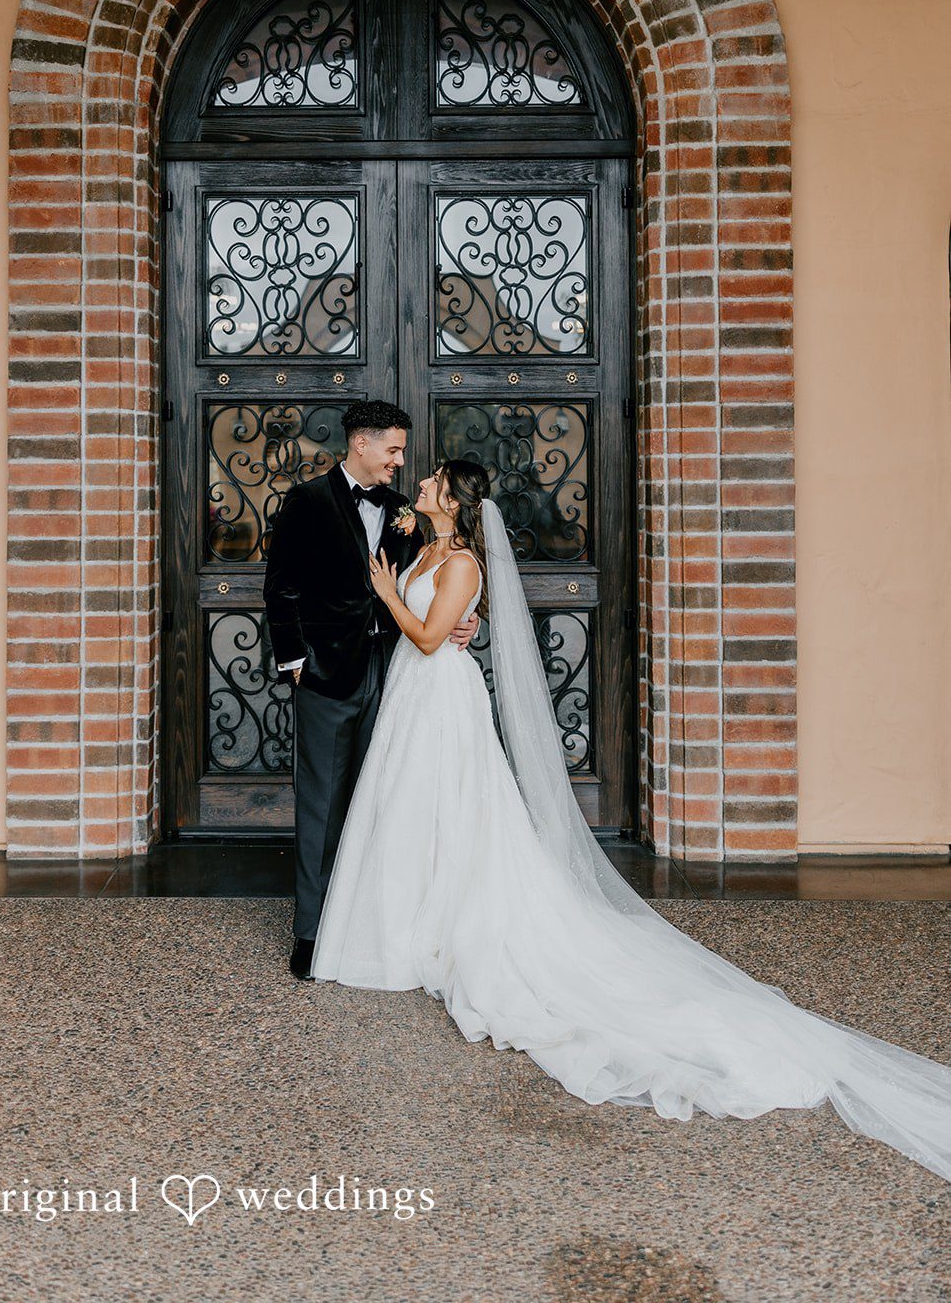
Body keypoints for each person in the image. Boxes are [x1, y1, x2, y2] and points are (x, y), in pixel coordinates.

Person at [309, 458, 951, 1185]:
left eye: (430, 484)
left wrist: (388, 594)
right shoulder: (427, 545)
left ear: (453, 503)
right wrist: (416, 590)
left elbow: (428, 638)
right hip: (413, 696)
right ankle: (407, 918)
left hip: (438, 694)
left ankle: (441, 918)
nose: (418, 486)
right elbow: (445, 622)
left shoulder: (455, 560)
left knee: (450, 806)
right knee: (409, 808)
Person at [262, 401, 479, 980]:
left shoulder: (405, 511)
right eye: (394, 450)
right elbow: (280, 590)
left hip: (396, 675)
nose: (400, 462)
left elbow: (430, 584)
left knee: (381, 802)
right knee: (321, 803)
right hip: (327, 675)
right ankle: (311, 932)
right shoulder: (306, 503)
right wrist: (294, 663)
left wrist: (466, 619)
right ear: (362, 444)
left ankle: (366, 922)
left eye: (403, 453)